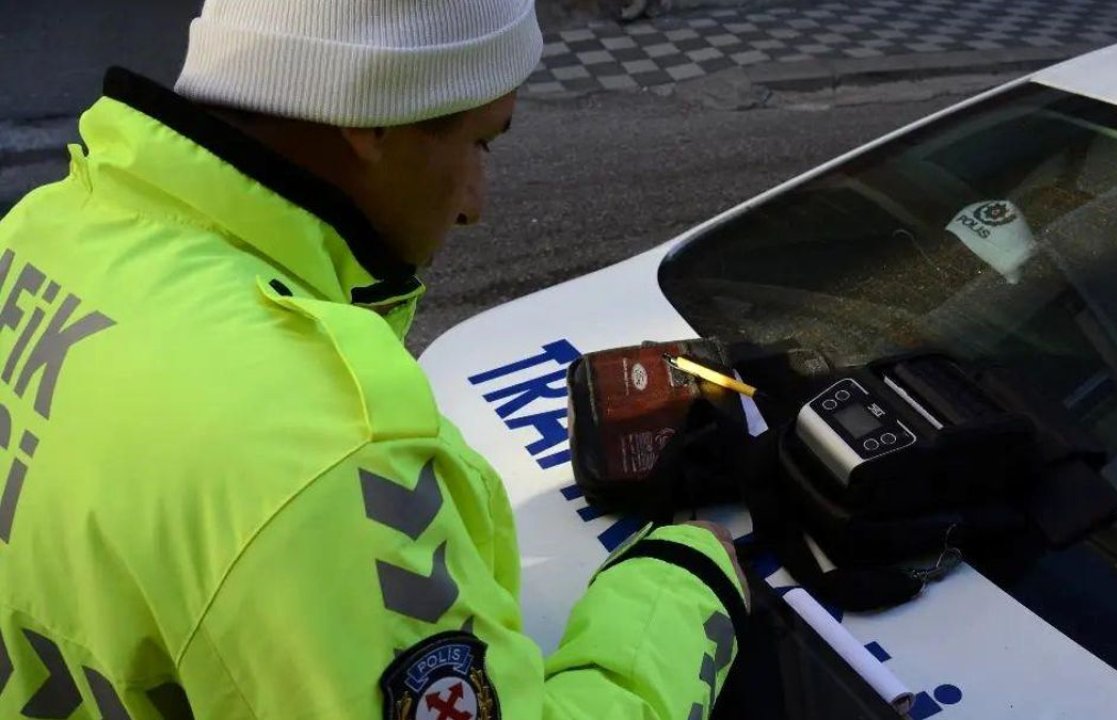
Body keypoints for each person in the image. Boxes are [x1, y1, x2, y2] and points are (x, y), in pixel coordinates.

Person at [0, 1, 749, 717]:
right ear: (372, 118)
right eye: (480, 144)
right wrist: (687, 583)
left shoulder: (42, 229)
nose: (474, 204)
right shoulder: (326, 456)